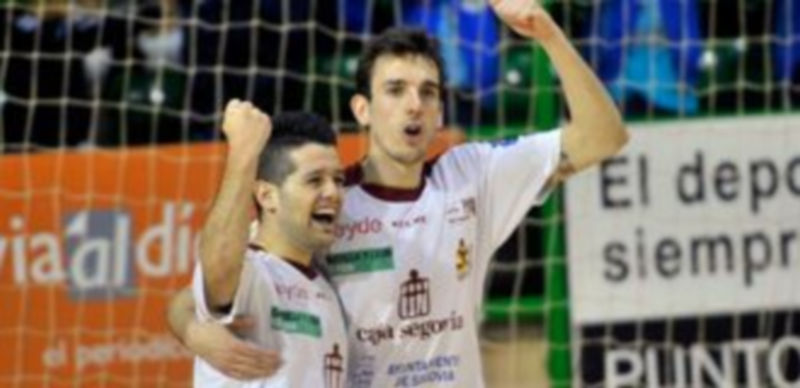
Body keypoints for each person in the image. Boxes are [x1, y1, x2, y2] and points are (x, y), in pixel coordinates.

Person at [168, 0, 628, 386]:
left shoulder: (472, 176)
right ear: (362, 109)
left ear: (440, 111)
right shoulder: (327, 202)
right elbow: (220, 278)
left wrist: (547, 34)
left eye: (428, 92)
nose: (415, 104)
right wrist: (191, 328)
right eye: (396, 90)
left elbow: (604, 136)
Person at [180, 100, 349, 386]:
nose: (332, 192)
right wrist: (243, 154)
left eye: (338, 179)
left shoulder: (326, 285)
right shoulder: (251, 274)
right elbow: (219, 265)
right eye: (314, 181)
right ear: (267, 196)